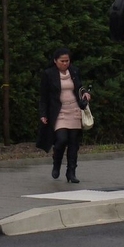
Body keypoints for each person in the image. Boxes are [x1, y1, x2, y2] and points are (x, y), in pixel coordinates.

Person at [37, 47, 91, 183]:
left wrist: (84, 93)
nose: (65, 63)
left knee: (74, 143)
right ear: (55, 61)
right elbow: (43, 96)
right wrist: (43, 114)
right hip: (59, 111)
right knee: (61, 139)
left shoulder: (74, 71)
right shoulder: (48, 74)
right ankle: (56, 164)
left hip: (74, 109)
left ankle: (71, 172)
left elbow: (79, 86)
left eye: (67, 61)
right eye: (62, 61)